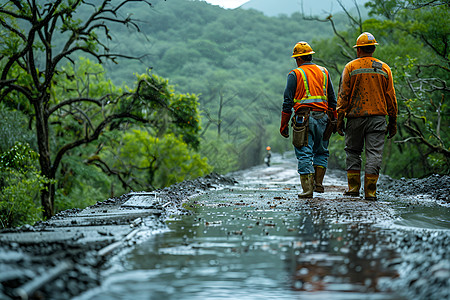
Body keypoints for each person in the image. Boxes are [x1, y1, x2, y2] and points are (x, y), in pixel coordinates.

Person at [336, 32, 398, 200]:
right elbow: (391, 98)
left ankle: (353, 189)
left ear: (358, 50)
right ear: (373, 49)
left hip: (355, 118)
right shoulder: (384, 68)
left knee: (353, 152)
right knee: (374, 154)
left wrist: (339, 120)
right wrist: (393, 122)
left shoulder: (350, 67)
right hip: (378, 119)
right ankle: (370, 192)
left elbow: (343, 96)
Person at [280, 41, 337, 198]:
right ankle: (318, 184)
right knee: (322, 152)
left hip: (303, 120)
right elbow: (333, 100)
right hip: (324, 118)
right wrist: (335, 120)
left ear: (298, 59)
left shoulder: (295, 74)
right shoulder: (324, 72)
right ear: (310, 56)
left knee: (305, 152)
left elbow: (287, 102)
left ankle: (307, 190)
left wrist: (283, 125)